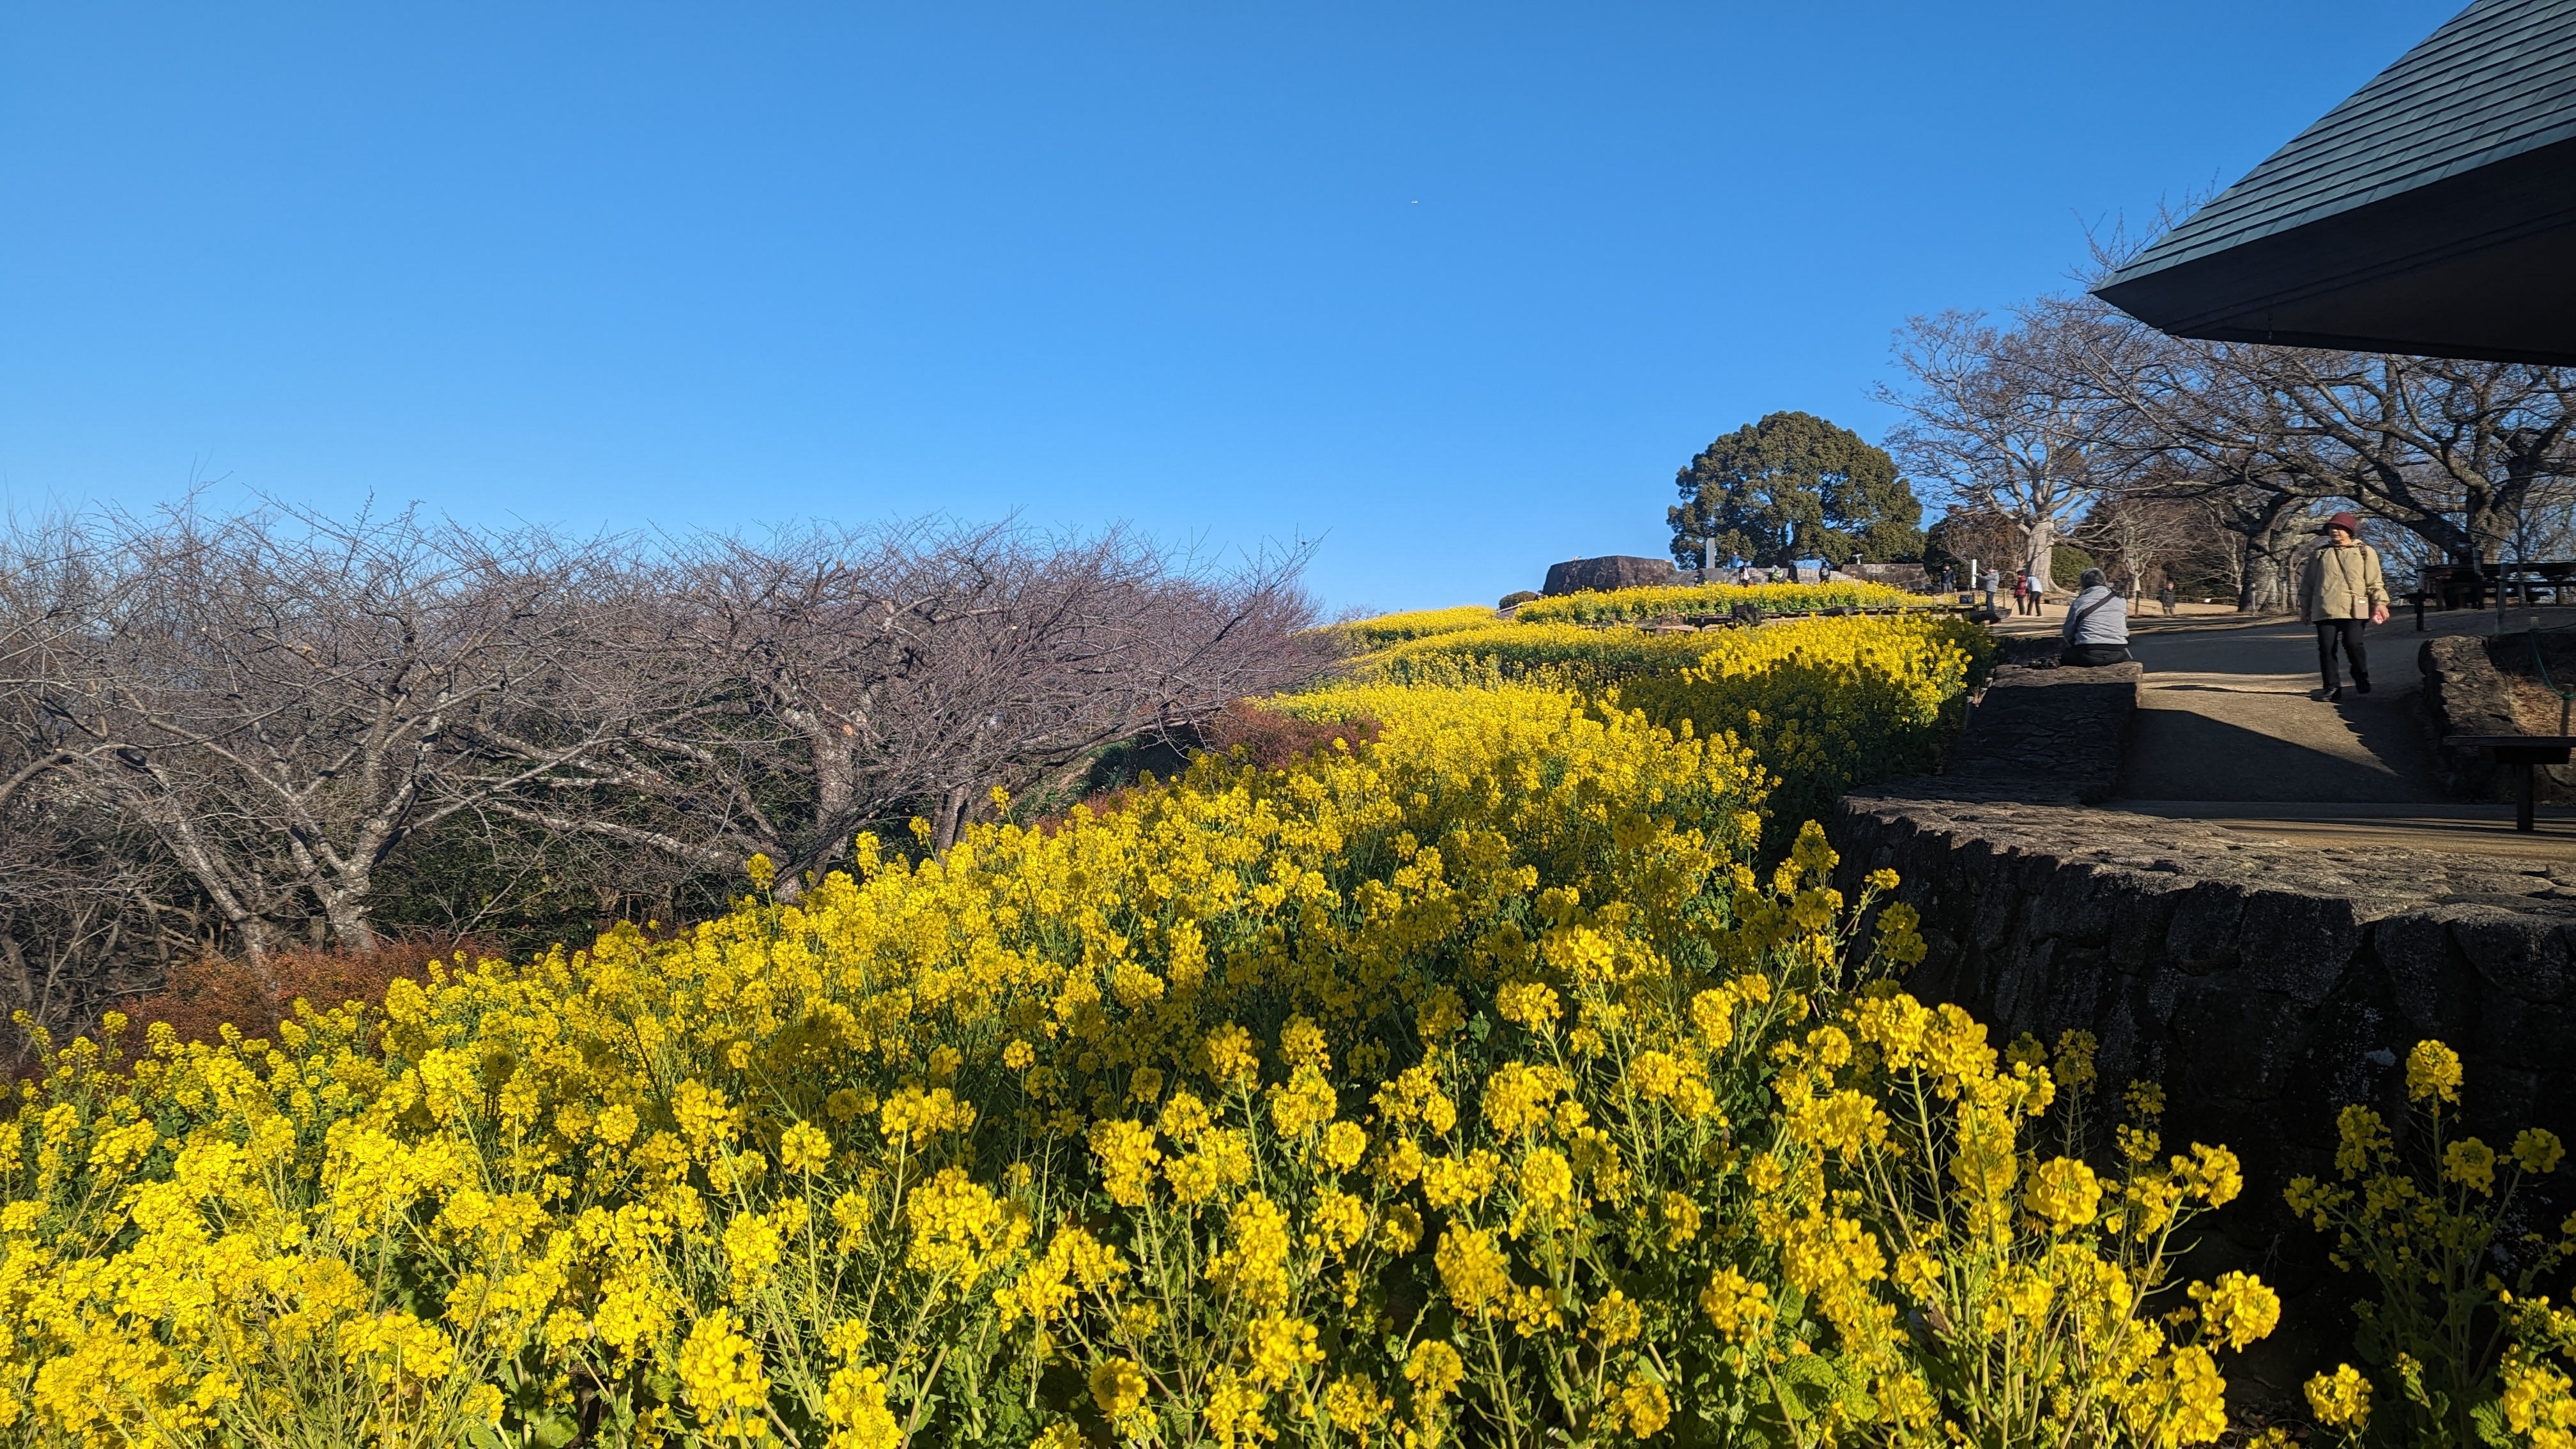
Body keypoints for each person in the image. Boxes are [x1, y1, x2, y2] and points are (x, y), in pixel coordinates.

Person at [2298, 510, 2390, 700]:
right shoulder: (2320, 553)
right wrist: (2305, 608)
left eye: (2339, 528)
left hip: (2355, 608)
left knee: (2353, 643)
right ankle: (2332, 686)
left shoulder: (2365, 551)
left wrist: (2381, 603)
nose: (2335, 531)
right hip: (2324, 607)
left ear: (2349, 531)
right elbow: (2308, 583)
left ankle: (2361, 676)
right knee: (2326, 648)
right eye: (2332, 527)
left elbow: (2375, 582)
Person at [2060, 567, 2130, 666]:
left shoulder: (2080, 601)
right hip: (2118, 653)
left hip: (2087, 653)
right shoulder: (2121, 600)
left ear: (2083, 585)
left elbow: (2068, 631)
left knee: (2061, 656)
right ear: (2105, 582)